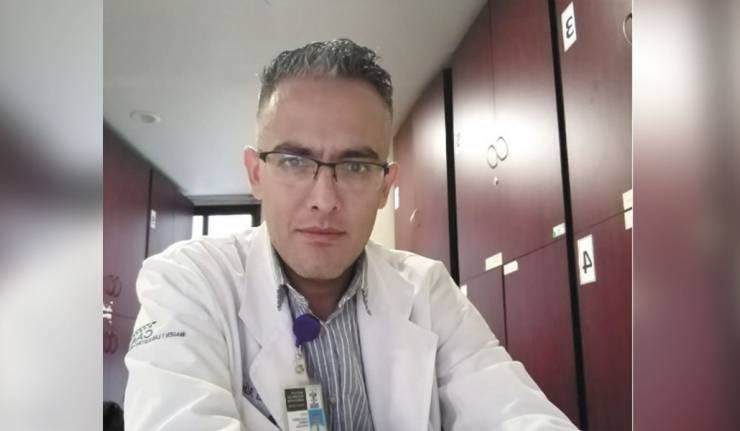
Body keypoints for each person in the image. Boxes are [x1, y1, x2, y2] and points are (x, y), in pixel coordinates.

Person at [124, 38, 578, 431]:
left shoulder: (426, 289)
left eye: (356, 166)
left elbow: (516, 412)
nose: (324, 199)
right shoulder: (187, 282)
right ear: (256, 173)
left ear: (385, 186)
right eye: (294, 161)